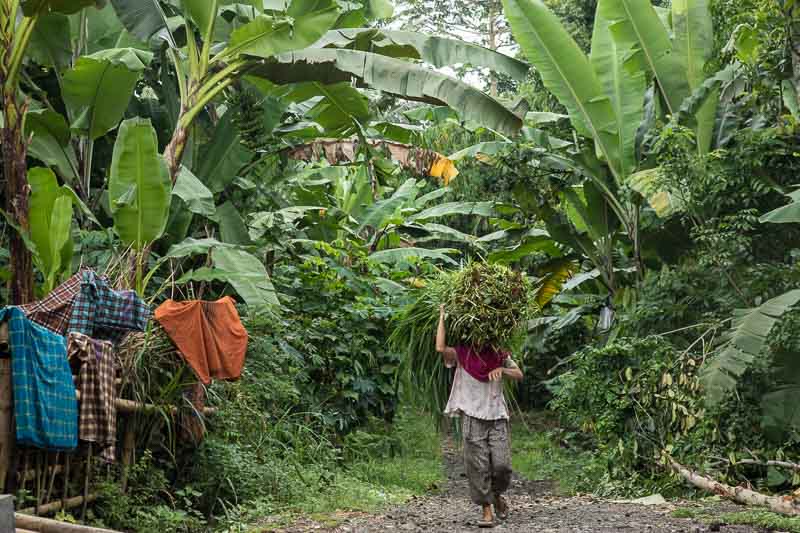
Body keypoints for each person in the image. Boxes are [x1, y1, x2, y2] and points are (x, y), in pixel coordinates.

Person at [436, 304, 524, 528]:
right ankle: (486, 511)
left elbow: (519, 373)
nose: (479, 339)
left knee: (502, 466)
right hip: (472, 416)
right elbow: (439, 347)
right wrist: (442, 316)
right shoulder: (461, 354)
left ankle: (496, 496)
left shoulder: (498, 355)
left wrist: (503, 370)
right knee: (478, 466)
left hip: (496, 416)